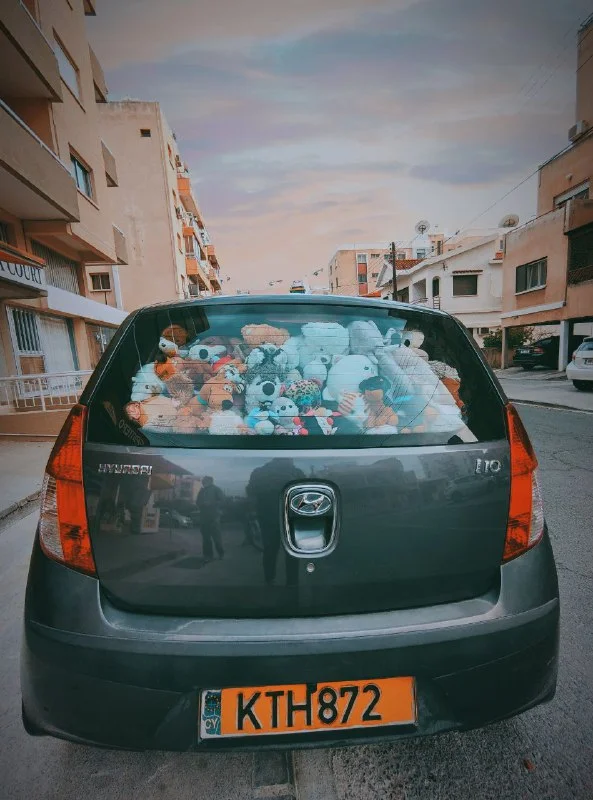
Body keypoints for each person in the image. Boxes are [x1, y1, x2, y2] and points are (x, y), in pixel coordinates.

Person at [196, 476, 225, 560]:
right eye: (203, 481)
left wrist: (211, 503)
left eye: (204, 480)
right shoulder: (201, 491)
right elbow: (197, 502)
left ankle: (221, 553)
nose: (203, 482)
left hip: (214, 516)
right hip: (204, 517)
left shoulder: (216, 489)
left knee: (216, 537)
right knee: (206, 538)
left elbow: (223, 500)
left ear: (210, 481)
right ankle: (208, 555)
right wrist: (202, 504)